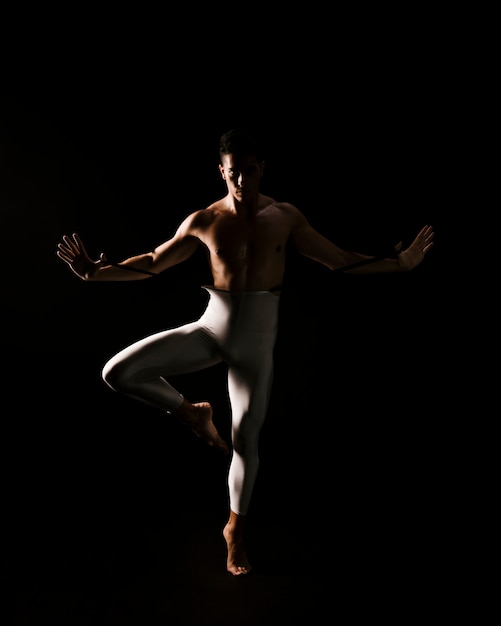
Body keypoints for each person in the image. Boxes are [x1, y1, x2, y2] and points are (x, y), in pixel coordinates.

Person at [56, 127, 434, 576]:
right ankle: (191, 413)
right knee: (116, 372)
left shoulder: (285, 217)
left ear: (261, 170)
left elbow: (338, 259)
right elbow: (155, 262)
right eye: (233, 173)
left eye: (249, 172)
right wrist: (97, 275)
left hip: (255, 348)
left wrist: (400, 264)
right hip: (211, 329)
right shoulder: (204, 220)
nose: (241, 182)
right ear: (222, 171)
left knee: (245, 441)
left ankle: (234, 530)